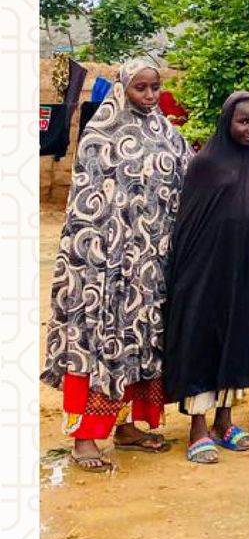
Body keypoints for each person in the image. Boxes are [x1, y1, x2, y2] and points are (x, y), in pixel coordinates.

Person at [41, 57, 189, 471]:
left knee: (142, 342)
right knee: (101, 344)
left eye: (154, 87)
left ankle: (126, 428)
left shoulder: (168, 135)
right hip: (104, 269)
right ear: (124, 87)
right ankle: (85, 437)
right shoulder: (99, 135)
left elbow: (187, 184)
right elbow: (84, 207)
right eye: (140, 87)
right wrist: (100, 261)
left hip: (152, 265)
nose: (148, 95)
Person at [162, 91, 249, 464]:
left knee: (236, 341)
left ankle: (225, 422)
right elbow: (189, 224)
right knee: (202, 342)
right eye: (244, 121)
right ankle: (198, 428)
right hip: (205, 271)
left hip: (243, 270)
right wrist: (189, 276)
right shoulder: (206, 162)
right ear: (227, 122)